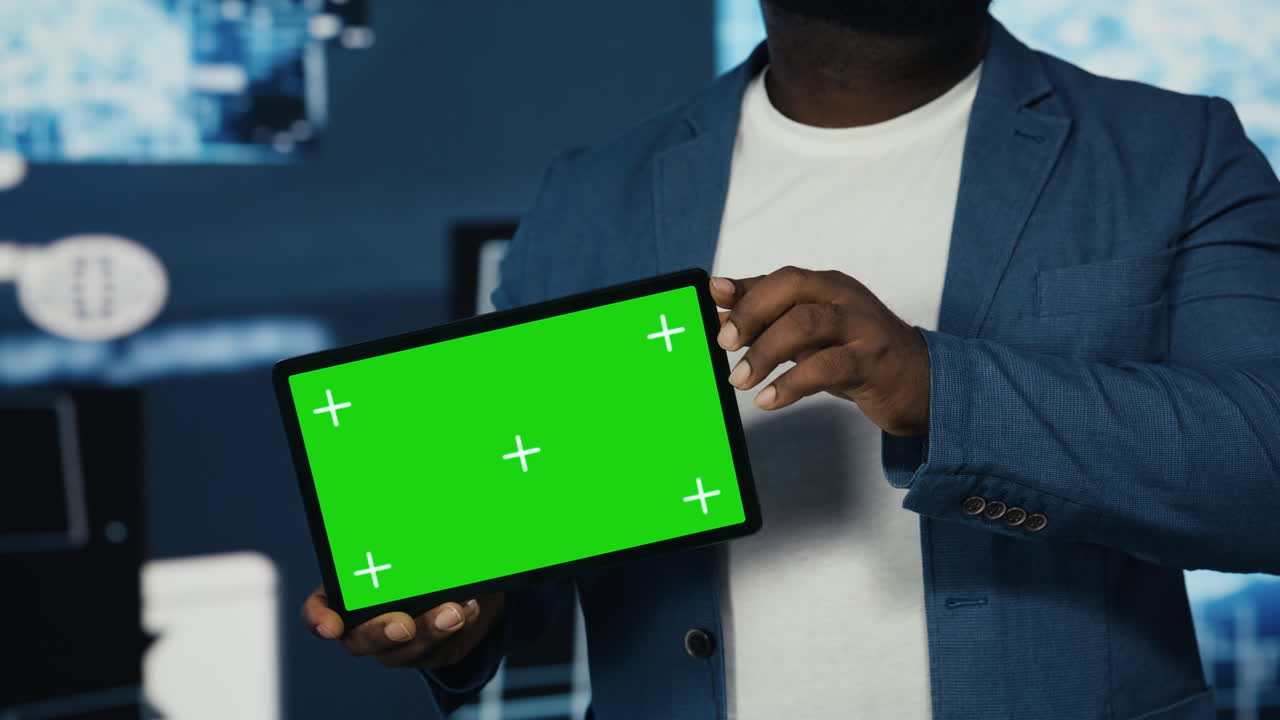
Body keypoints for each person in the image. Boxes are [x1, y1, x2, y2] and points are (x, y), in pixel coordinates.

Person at [302, 1, 1280, 717]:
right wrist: (457, 616)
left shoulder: (1177, 152)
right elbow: (519, 548)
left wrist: (935, 388)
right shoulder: (590, 196)